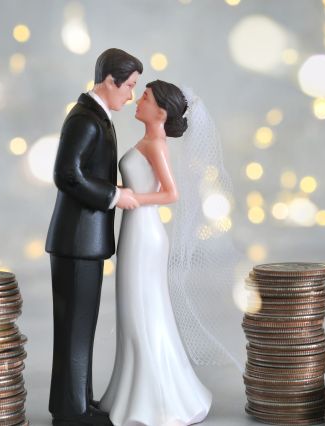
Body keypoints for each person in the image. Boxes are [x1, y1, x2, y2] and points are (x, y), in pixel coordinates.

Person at [100, 80, 215, 425]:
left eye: (145, 97)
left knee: (143, 312)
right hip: (135, 229)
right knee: (134, 311)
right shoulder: (148, 142)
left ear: (161, 113)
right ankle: (131, 392)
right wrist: (122, 192)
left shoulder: (156, 144)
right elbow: (144, 185)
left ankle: (155, 400)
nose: (138, 99)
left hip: (145, 232)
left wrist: (131, 198)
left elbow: (170, 193)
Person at [45, 48, 143, 426]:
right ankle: (73, 412)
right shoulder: (85, 119)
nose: (131, 95)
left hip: (83, 240)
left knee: (79, 328)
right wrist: (114, 195)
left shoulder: (96, 116)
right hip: (76, 240)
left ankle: (76, 402)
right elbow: (66, 175)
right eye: (130, 86)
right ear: (109, 81)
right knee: (74, 328)